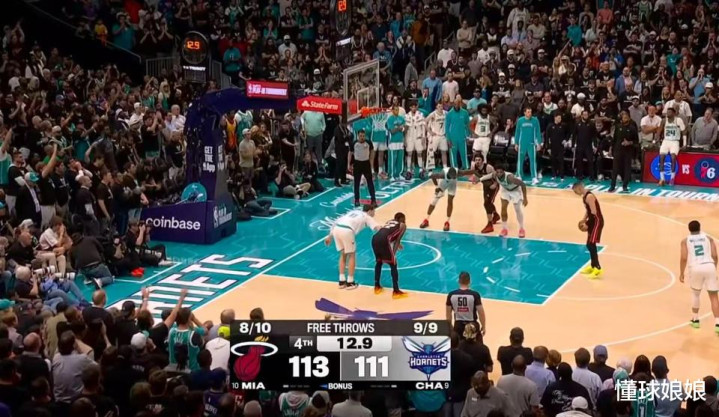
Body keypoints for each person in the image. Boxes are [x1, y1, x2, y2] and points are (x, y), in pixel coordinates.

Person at [324, 205, 380, 290]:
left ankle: (341, 281)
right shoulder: (367, 216)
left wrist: (329, 236)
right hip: (347, 231)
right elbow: (377, 228)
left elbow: (336, 222)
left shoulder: (353, 212)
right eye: (374, 211)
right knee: (352, 255)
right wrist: (387, 232)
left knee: (343, 254)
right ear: (370, 211)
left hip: (336, 229)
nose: (374, 214)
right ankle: (350, 282)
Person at [679, 220, 719, 332]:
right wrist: (714, 269)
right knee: (714, 296)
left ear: (689, 229)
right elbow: (715, 255)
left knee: (696, 294)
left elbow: (684, 258)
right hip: (709, 266)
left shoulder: (685, 241)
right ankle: (718, 323)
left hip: (695, 267)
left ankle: (695, 320)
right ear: (700, 227)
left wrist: (681, 273)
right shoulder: (709, 238)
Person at [419, 167, 477, 231]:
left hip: (452, 184)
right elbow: (432, 176)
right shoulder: (442, 174)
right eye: (454, 176)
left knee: (450, 201)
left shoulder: (459, 173)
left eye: (455, 176)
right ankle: (426, 220)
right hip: (443, 183)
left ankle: (447, 222)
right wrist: (437, 186)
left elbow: (472, 171)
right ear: (449, 174)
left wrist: (480, 175)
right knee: (434, 201)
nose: (455, 177)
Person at [478, 163, 528, 238]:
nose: (499, 174)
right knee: (503, 208)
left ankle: (521, 229)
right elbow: (488, 176)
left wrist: (525, 198)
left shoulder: (510, 178)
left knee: (517, 209)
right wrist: (479, 179)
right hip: (505, 190)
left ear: (503, 172)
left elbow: (523, 184)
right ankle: (504, 229)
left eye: (501, 172)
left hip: (516, 190)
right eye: (497, 172)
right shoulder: (494, 175)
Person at [371, 212, 408, 299]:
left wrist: (398, 244)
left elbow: (388, 233)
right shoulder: (403, 225)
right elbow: (397, 240)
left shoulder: (389, 221)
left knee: (379, 262)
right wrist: (393, 255)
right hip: (384, 241)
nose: (405, 221)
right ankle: (396, 291)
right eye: (404, 219)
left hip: (374, 239)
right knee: (393, 264)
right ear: (401, 219)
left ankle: (377, 286)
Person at [573, 182, 604, 279]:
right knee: (589, 244)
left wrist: (587, 223)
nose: (575, 193)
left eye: (575, 191)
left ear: (579, 188)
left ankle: (597, 268)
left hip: (596, 221)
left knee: (591, 244)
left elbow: (594, 213)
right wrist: (583, 219)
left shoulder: (589, 196)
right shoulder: (584, 197)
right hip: (592, 221)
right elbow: (588, 210)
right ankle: (593, 266)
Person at [446, 271, 485, 339]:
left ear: (458, 281)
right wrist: (483, 326)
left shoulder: (451, 295)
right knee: (476, 344)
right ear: (470, 281)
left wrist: (450, 327)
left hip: (458, 325)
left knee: (458, 344)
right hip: (472, 325)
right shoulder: (475, 295)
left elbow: (448, 314)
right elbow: (481, 313)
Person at [608, 111, 638, 193]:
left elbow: (636, 142)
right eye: (623, 117)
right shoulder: (618, 127)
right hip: (618, 151)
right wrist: (611, 148)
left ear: (629, 118)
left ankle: (625, 186)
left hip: (627, 152)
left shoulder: (632, 128)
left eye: (626, 117)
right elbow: (614, 139)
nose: (625, 119)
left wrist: (629, 143)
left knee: (627, 169)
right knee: (615, 169)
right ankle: (612, 186)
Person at [657, 107, 686, 186]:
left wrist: (684, 144)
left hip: (675, 141)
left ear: (674, 113)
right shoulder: (664, 120)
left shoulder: (678, 120)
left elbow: (684, 131)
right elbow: (659, 131)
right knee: (661, 157)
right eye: (667, 112)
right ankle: (662, 179)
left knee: (673, 157)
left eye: (669, 112)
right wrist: (655, 140)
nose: (668, 113)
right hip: (666, 141)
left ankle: (672, 178)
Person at [472, 154, 501, 234]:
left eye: (479, 160)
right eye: (476, 160)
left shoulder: (488, 167)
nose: (477, 161)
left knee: (487, 203)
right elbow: (477, 177)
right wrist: (474, 180)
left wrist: (495, 184)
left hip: (493, 186)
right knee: (487, 203)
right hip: (486, 186)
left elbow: (497, 176)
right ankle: (495, 215)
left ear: (482, 161)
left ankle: (490, 225)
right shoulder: (475, 167)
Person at [348, 130, 377, 207]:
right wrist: (348, 164)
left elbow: (372, 151)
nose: (362, 137)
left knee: (370, 182)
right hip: (357, 164)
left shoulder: (368, 143)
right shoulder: (354, 143)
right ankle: (357, 200)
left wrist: (371, 162)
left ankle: (373, 200)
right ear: (358, 136)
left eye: (363, 136)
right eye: (360, 136)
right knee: (356, 183)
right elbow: (350, 153)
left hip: (366, 164)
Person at [515, 107, 542, 184]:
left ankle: (534, 177)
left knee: (533, 161)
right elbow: (517, 132)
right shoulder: (520, 120)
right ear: (524, 113)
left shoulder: (535, 120)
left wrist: (539, 143)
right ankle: (519, 175)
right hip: (522, 143)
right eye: (528, 112)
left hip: (531, 143)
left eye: (530, 112)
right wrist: (516, 143)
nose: (530, 113)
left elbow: (538, 132)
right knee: (520, 160)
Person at [446, 97, 472, 169]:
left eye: (458, 104)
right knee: (453, 154)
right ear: (453, 104)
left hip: (462, 137)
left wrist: (468, 136)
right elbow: (447, 127)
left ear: (460, 104)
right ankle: (454, 168)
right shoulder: (449, 114)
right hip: (452, 137)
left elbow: (468, 125)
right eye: (455, 104)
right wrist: (448, 139)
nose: (456, 105)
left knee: (463, 153)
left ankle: (465, 167)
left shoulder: (465, 113)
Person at [405, 102, 426, 177]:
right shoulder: (407, 116)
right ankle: (408, 170)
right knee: (409, 153)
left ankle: (421, 170)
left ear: (416, 107)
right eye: (412, 107)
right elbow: (406, 128)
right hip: (410, 137)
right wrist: (405, 139)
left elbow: (423, 126)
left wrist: (423, 136)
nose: (414, 108)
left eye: (415, 107)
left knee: (419, 153)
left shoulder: (420, 115)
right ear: (410, 107)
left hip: (418, 137)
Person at [425, 102, 448, 169]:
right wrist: (430, 131)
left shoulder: (446, 113)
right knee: (431, 151)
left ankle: (445, 167)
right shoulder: (433, 114)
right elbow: (425, 121)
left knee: (444, 151)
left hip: (443, 135)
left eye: (441, 106)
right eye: (439, 106)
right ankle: (429, 167)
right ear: (436, 107)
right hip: (435, 135)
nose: (440, 108)